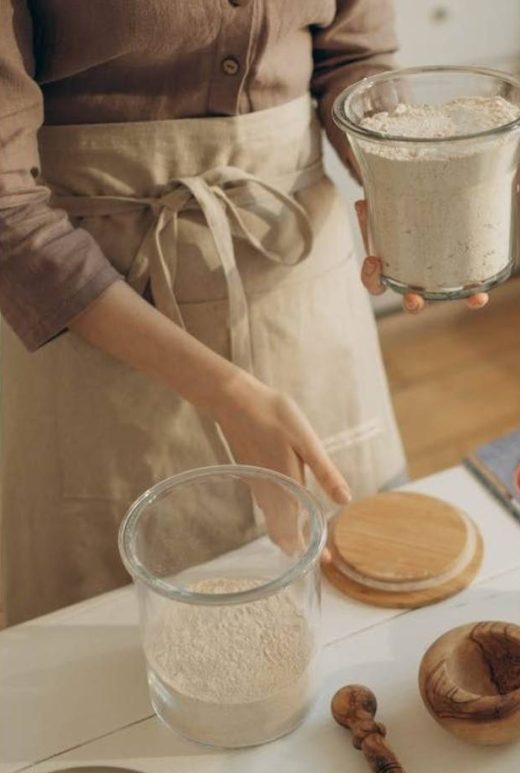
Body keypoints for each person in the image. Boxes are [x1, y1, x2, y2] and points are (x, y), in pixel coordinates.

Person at [0, 1, 490, 626]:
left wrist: (409, 192)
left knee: (351, 604)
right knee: (123, 637)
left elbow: (355, 58)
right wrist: (228, 396)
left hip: (296, 277)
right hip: (97, 301)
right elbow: (8, 212)